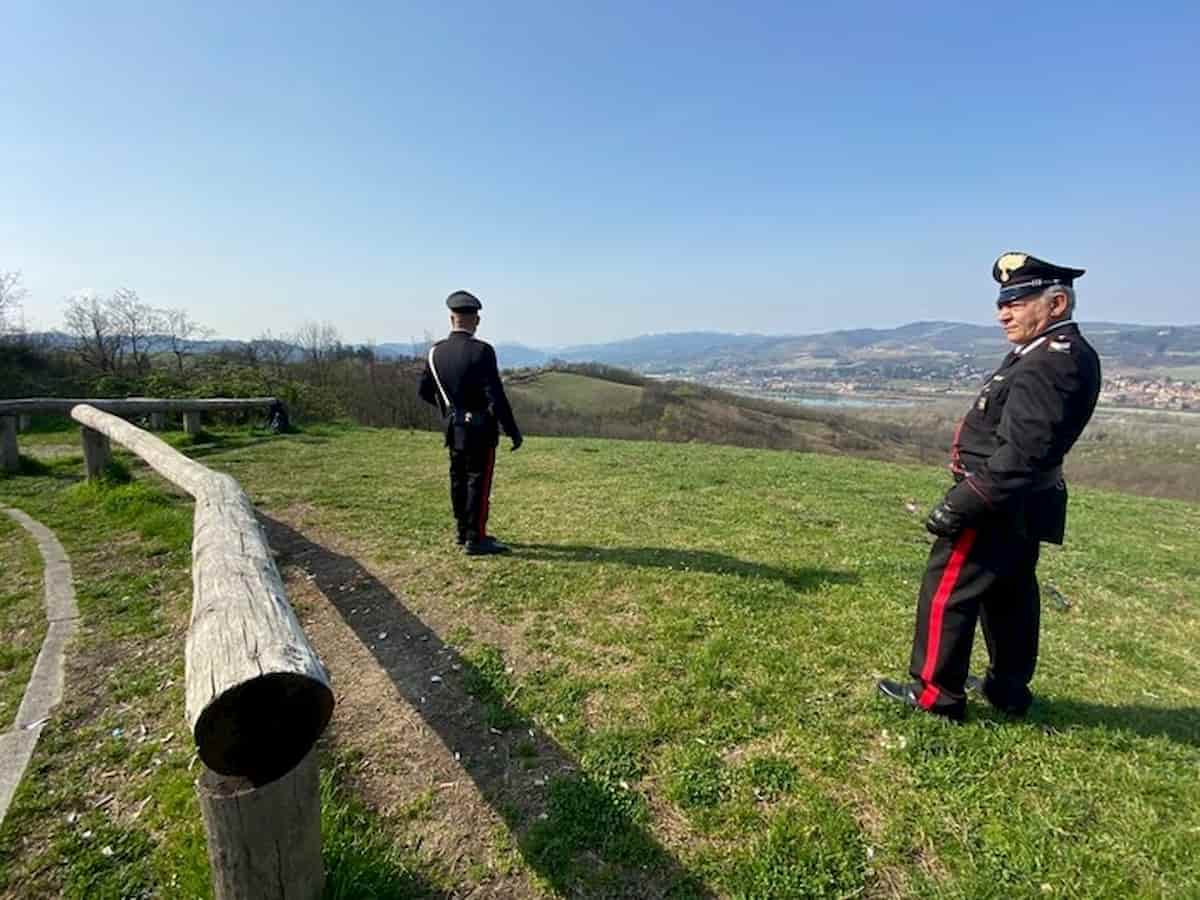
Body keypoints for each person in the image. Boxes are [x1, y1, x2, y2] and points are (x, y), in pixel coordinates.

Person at [878, 252, 1101, 721]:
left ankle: (936, 695)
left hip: (996, 500)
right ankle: (1007, 688)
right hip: (1024, 500)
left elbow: (1021, 455)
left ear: (1057, 303)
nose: (1003, 314)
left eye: (1017, 302)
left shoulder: (1049, 362)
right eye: (1003, 303)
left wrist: (963, 502)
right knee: (1009, 596)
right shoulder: (1053, 352)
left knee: (948, 589)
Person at [418, 290, 523, 555]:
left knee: (458, 479)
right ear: (476, 320)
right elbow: (496, 395)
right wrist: (511, 429)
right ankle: (476, 538)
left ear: (451, 318)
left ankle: (462, 531)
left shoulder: (435, 352)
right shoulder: (482, 351)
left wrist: (450, 412)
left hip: (454, 429)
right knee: (478, 481)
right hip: (480, 429)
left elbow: (424, 391)